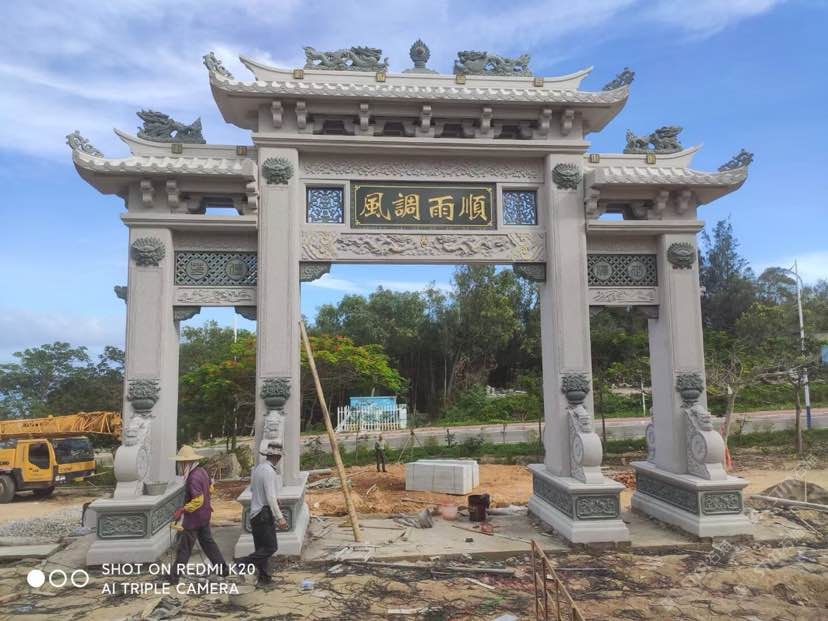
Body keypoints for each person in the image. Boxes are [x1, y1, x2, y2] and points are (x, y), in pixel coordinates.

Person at [168, 445, 228, 584]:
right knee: (208, 543)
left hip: (194, 520)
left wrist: (182, 510)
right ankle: (223, 569)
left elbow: (198, 500)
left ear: (186, 463)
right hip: (205, 515)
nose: (180, 466)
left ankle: (174, 577)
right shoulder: (202, 471)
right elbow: (210, 488)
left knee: (184, 548)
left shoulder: (192, 478)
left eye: (181, 463)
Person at [236, 441, 288, 586]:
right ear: (277, 457)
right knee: (271, 547)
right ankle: (242, 562)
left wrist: (274, 499)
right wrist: (280, 517)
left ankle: (264, 578)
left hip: (255, 513)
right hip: (263, 513)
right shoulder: (269, 471)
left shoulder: (258, 469)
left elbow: (254, 489)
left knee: (261, 549)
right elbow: (270, 497)